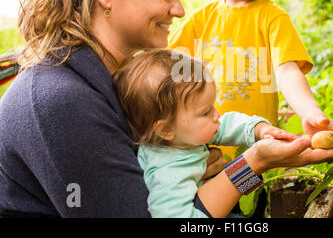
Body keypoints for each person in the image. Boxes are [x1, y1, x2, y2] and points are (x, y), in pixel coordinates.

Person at [0, 0, 333, 218]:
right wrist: (253, 165)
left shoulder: (114, 78)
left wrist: (213, 173)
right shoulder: (61, 104)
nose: (180, 9)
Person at [169, 0, 333, 159]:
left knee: (253, 194)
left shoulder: (274, 18)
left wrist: (310, 112)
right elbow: (165, 67)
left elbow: (288, 71)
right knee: (211, 196)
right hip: (204, 152)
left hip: (257, 149)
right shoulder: (200, 22)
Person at [113, 48, 300, 217]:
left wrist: (259, 130)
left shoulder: (185, 134)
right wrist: (257, 162)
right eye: (205, 112)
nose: (217, 115)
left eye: (212, 106)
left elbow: (228, 124)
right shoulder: (168, 173)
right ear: (165, 129)